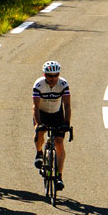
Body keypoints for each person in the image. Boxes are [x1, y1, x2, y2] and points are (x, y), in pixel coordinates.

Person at [32, 60, 71, 191]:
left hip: (57, 114)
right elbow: (35, 107)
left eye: (56, 75)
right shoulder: (38, 85)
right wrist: (38, 124)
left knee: (59, 143)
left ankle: (59, 176)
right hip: (42, 114)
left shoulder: (63, 84)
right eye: (50, 75)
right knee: (40, 133)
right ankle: (39, 153)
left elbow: (67, 105)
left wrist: (67, 123)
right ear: (45, 75)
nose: (53, 78)